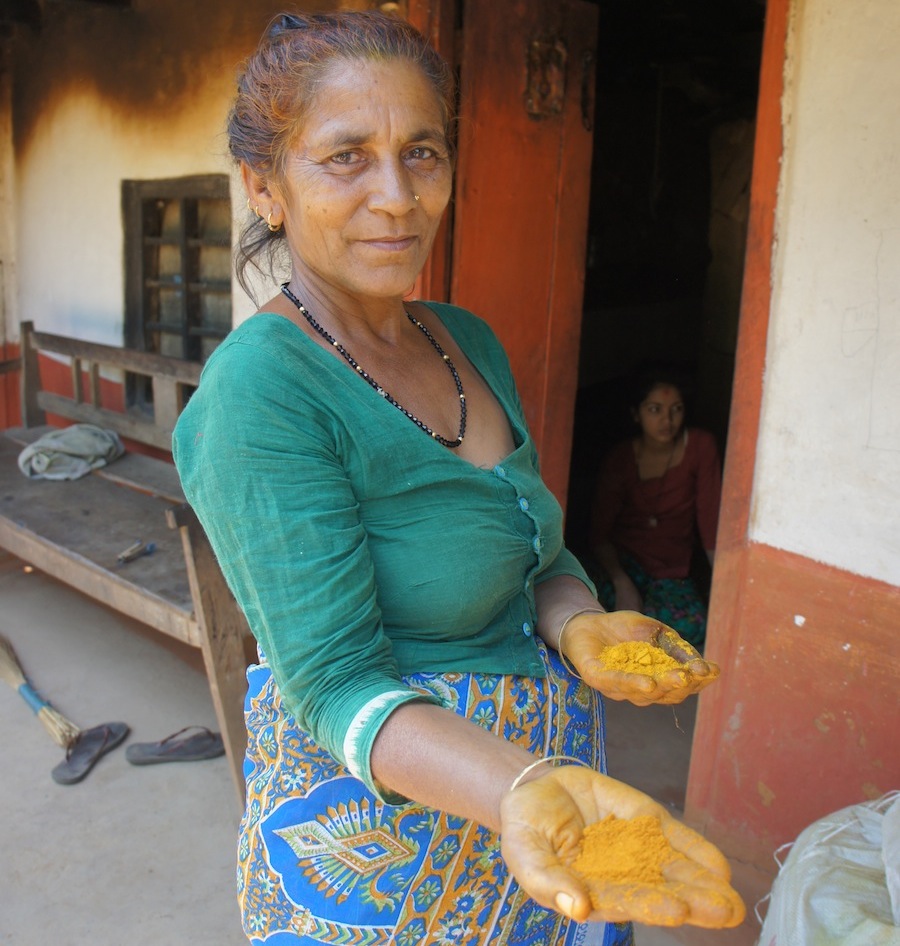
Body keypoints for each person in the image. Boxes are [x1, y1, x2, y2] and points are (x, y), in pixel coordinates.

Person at [172, 12, 744, 945]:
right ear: (265, 187)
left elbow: (538, 552)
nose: (397, 196)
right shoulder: (262, 391)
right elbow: (337, 684)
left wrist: (580, 624)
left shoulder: (462, 338)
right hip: (391, 850)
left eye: (423, 153)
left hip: (548, 816)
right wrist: (519, 787)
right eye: (346, 157)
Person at [590, 368, 723, 648]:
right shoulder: (621, 459)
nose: (667, 420)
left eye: (676, 409)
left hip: (672, 571)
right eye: (655, 409)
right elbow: (599, 535)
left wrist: (724, 590)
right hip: (625, 563)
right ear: (636, 414)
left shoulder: (699, 447)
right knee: (597, 610)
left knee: (693, 625)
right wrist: (621, 582)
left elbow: (710, 524)